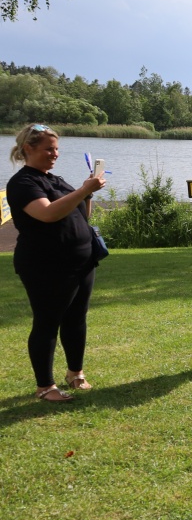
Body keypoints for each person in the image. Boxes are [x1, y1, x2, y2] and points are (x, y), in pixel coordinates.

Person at [6, 124, 107, 402]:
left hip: (82, 261)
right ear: (28, 149)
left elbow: (80, 214)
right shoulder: (23, 183)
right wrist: (82, 190)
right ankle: (45, 386)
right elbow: (48, 214)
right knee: (47, 322)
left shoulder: (55, 180)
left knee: (76, 318)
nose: (55, 154)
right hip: (46, 264)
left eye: (57, 149)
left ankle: (75, 372)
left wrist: (87, 194)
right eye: (48, 149)